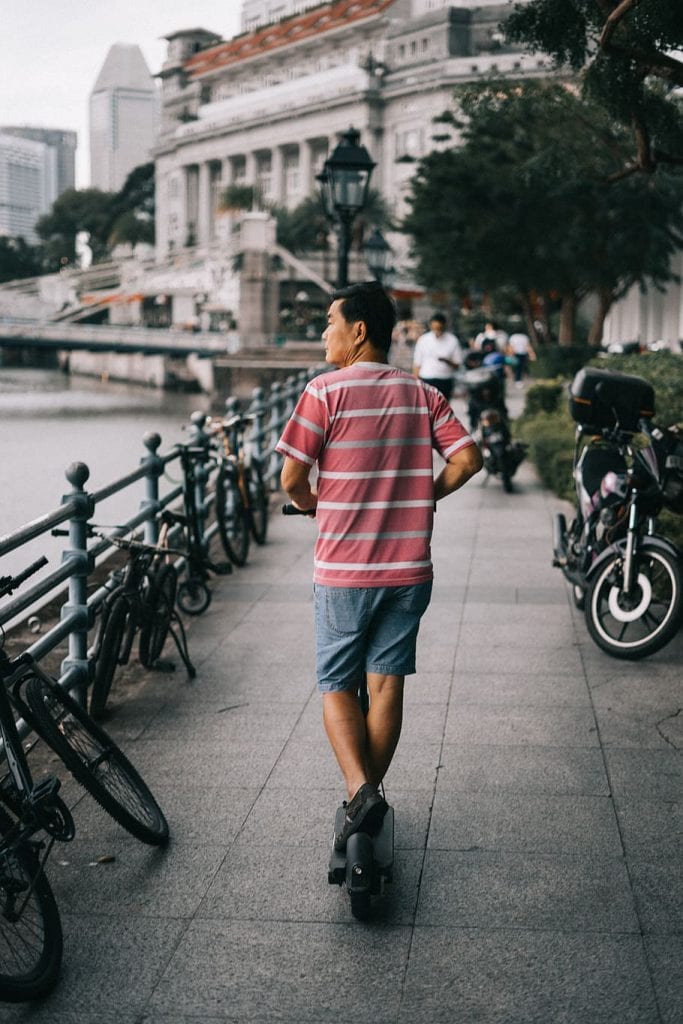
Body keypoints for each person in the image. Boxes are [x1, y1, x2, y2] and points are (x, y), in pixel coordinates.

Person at [277, 282, 482, 851]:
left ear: (358, 330)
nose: (324, 333)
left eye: (329, 322)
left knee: (338, 685)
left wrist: (315, 504)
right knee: (387, 684)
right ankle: (367, 798)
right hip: (409, 570)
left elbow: (292, 480)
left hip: (345, 570)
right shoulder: (422, 395)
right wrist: (426, 495)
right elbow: (468, 459)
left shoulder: (323, 392)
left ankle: (359, 793)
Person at [411, 312, 463, 401]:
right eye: (434, 328)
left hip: (445, 379)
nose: (437, 331)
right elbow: (417, 363)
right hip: (427, 379)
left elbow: (458, 365)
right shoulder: (423, 340)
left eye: (439, 329)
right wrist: (415, 382)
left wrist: (447, 361)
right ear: (431, 326)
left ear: (444, 326)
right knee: (428, 407)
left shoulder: (452, 340)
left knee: (443, 408)